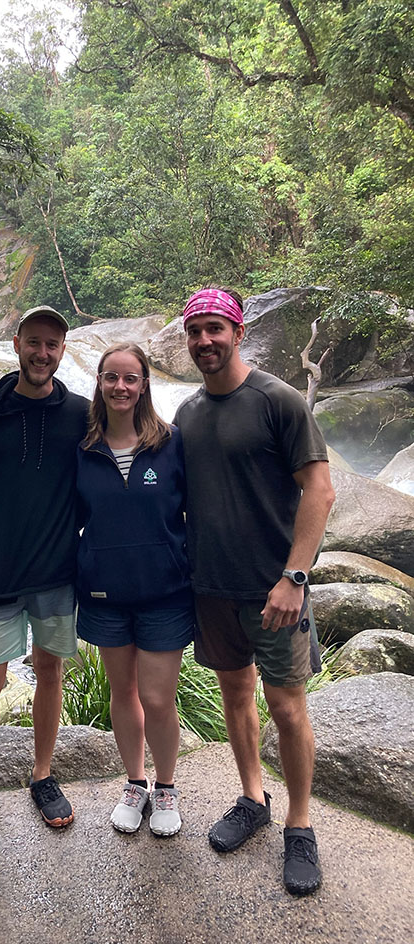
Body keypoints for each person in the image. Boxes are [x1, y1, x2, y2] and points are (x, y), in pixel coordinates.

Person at [174, 287, 335, 896]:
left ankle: (300, 824)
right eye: (195, 332)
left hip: (275, 590)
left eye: (215, 328)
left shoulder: (278, 400)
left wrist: (295, 577)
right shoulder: (188, 413)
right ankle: (251, 797)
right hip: (212, 587)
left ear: (238, 332)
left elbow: (319, 492)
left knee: (288, 707)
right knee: (236, 694)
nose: (205, 341)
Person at [0, 305, 89, 836]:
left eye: (52, 345)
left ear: (62, 351)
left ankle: (42, 775)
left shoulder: (80, 412)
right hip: (1, 567)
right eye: (34, 342)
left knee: (49, 671)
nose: (42, 353)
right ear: (16, 343)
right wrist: (7, 526)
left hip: (57, 570)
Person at [76, 343, 194, 837]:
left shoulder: (171, 442)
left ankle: (165, 787)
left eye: (130, 378)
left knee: (159, 698)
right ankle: (135, 783)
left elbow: (198, 511)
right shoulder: (82, 448)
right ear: (99, 384)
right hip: (105, 593)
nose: (120, 387)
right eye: (111, 378)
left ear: (144, 383)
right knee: (122, 693)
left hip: (165, 592)